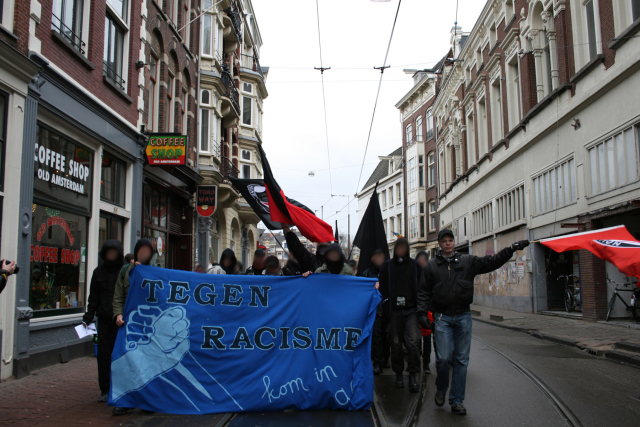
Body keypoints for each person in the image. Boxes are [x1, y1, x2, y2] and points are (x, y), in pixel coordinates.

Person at [418, 229, 529, 415]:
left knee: (461, 360)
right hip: (442, 317)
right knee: (443, 359)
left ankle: (457, 401)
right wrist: (422, 314)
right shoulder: (431, 267)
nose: (448, 243)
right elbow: (423, 292)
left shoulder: (467, 262)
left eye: (450, 240)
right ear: (439, 244)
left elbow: (491, 262)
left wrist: (511, 249)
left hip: (463, 316)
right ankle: (442, 388)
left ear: (454, 242)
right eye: (444, 241)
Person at [111, 238, 154, 416]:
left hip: (147, 324)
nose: (144, 254)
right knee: (125, 361)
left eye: (147, 251)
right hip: (129, 324)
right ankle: (125, 400)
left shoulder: (155, 271)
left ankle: (147, 400)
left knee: (147, 364)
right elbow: (118, 295)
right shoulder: (125, 271)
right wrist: (118, 314)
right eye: (141, 250)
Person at [82, 240, 124, 403]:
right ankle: (105, 388)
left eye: (113, 252)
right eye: (108, 253)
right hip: (104, 321)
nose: (111, 255)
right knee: (104, 356)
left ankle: (120, 387)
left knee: (120, 355)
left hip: (121, 321)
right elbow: (93, 297)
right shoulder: (98, 272)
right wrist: (88, 317)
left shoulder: (124, 271)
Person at [379, 238, 422, 392]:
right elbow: (381, 286)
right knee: (395, 344)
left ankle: (412, 374)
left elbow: (422, 287)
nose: (401, 250)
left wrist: (421, 306)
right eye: (399, 247)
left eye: (404, 247)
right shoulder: (387, 266)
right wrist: (385, 302)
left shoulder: (414, 266)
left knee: (413, 343)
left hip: (411, 310)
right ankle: (398, 374)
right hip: (395, 311)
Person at [362, 249, 390, 375]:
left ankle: (386, 359)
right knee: (376, 336)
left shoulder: (389, 272)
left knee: (387, 336)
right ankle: (378, 362)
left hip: (388, 310)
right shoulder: (366, 274)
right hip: (374, 311)